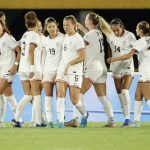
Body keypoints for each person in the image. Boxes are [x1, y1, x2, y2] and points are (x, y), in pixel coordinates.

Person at [65, 13, 115, 127]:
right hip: (102, 68)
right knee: (102, 96)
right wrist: (82, 28)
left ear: (89, 23)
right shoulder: (98, 33)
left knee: (78, 94)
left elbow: (80, 44)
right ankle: (111, 120)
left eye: (86, 20)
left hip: (93, 68)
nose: (85, 22)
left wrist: (74, 31)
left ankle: (75, 119)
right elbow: (89, 36)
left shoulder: (89, 35)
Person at [107, 21, 150, 127]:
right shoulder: (147, 40)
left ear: (141, 30)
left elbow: (129, 55)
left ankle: (132, 121)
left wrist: (113, 59)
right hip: (143, 71)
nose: (136, 29)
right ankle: (135, 122)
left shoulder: (139, 41)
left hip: (145, 71)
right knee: (137, 96)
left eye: (137, 28)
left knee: (147, 98)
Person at [55, 15, 88, 128]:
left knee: (74, 100)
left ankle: (84, 114)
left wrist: (69, 64)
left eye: (68, 25)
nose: (65, 27)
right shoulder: (64, 37)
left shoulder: (78, 38)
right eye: (64, 25)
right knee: (60, 95)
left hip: (74, 71)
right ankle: (60, 122)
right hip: (62, 71)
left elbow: (83, 56)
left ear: (74, 25)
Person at [12, 11, 43, 127]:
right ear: (36, 23)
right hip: (32, 68)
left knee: (27, 95)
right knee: (36, 95)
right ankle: (38, 122)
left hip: (22, 68)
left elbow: (17, 44)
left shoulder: (25, 35)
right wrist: (33, 67)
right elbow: (31, 50)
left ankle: (16, 118)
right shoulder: (35, 35)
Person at [108, 18, 136, 127]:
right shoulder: (110, 36)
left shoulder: (130, 36)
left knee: (124, 91)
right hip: (116, 67)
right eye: (113, 30)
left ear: (122, 27)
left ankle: (128, 119)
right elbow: (110, 47)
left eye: (117, 30)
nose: (115, 32)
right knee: (120, 94)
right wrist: (110, 57)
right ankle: (126, 118)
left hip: (127, 65)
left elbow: (133, 52)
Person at [41, 17, 64, 128]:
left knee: (60, 97)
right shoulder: (44, 40)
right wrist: (42, 71)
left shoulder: (63, 38)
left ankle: (61, 121)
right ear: (46, 28)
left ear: (57, 25)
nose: (51, 28)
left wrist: (60, 70)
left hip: (60, 71)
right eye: (49, 27)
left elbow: (65, 56)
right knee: (48, 96)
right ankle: (49, 122)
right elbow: (44, 56)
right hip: (47, 71)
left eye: (53, 26)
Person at [0, 11, 21, 127]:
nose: (4, 22)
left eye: (3, 22)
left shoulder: (8, 38)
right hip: (1, 69)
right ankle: (18, 119)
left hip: (9, 70)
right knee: (8, 96)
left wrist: (16, 65)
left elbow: (19, 50)